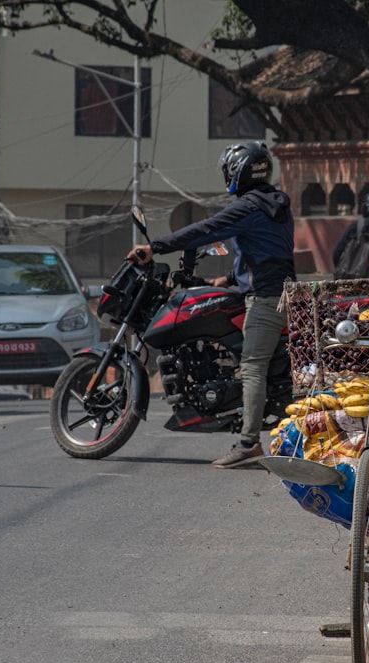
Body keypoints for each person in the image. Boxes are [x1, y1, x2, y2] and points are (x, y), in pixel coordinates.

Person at [126, 141, 295, 469]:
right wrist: (225, 280)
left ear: (237, 171)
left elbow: (207, 229)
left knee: (252, 366)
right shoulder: (274, 205)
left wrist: (155, 247)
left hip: (266, 300)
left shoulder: (249, 207)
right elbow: (263, 253)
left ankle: (248, 444)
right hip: (280, 293)